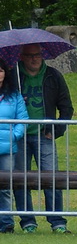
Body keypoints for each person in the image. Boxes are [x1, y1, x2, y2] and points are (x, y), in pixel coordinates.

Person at [16, 44, 74, 233]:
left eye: (38, 55)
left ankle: (57, 221)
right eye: (30, 55)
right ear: (22, 57)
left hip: (44, 135)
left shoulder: (53, 75)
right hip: (20, 135)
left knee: (51, 178)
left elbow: (66, 107)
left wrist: (57, 130)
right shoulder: (13, 75)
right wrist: (16, 100)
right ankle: (27, 221)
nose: (34, 59)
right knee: (21, 179)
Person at [0, 66, 26, 232]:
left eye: (0, 70)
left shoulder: (15, 95)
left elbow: (22, 119)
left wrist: (14, 136)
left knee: (5, 187)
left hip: (7, 148)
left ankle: (6, 222)